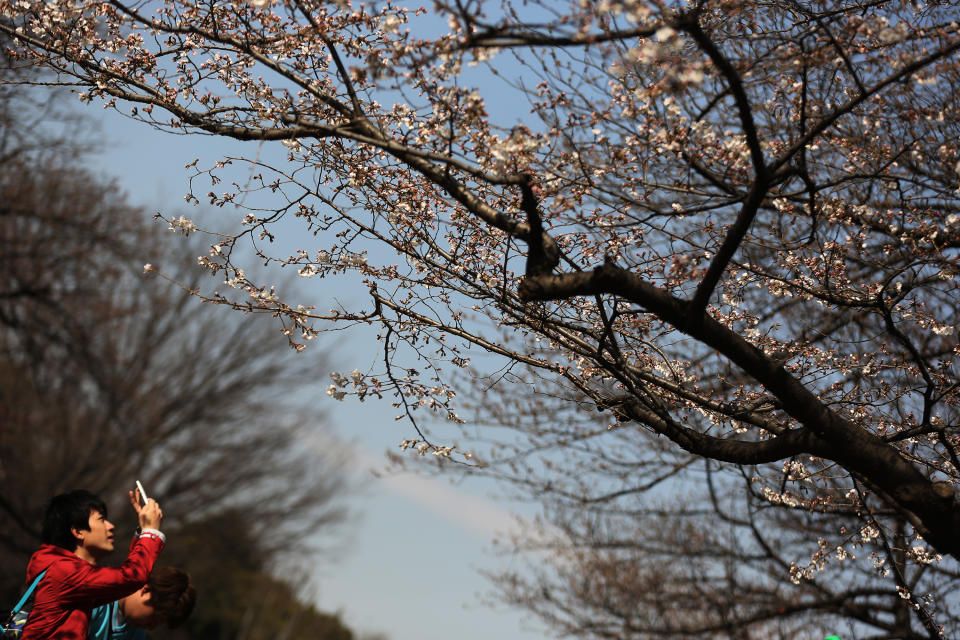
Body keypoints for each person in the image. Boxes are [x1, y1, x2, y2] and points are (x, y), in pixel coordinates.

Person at [21, 489, 165, 640]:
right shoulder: (65, 572)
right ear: (78, 531)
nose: (110, 526)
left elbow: (123, 585)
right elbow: (130, 577)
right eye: (102, 520)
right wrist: (151, 533)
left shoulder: (62, 569)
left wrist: (144, 533)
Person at [87, 566, 195, 640]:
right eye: (154, 618)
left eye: (158, 624)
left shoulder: (136, 633)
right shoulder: (95, 597)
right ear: (146, 590)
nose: (151, 627)